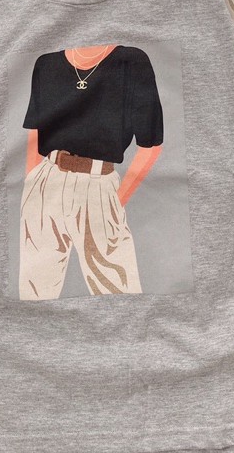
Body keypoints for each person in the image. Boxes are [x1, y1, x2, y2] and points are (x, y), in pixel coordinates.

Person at [20, 44, 163, 299]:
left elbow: (151, 146)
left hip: (98, 185)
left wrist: (117, 201)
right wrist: (31, 184)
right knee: (34, 295)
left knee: (120, 294)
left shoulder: (131, 61)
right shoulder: (46, 63)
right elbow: (34, 131)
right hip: (45, 182)